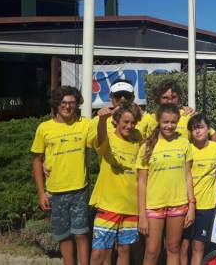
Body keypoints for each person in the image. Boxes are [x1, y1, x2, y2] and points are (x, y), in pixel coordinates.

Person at [31, 86, 91, 265]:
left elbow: (104, 136)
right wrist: (41, 193)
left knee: (81, 234)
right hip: (55, 192)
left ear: (77, 104)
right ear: (56, 104)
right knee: (63, 236)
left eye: (72, 103)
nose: (67, 106)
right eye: (63, 102)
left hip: (80, 189)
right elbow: (37, 160)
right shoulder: (44, 128)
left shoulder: (85, 124)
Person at [137, 103, 195, 265]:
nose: (169, 126)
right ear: (158, 121)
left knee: (173, 248)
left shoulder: (184, 144)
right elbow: (141, 182)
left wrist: (191, 206)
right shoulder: (147, 147)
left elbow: (188, 176)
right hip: (153, 205)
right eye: (165, 122)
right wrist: (141, 215)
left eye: (173, 122)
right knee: (152, 251)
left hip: (179, 204)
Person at [89, 102, 143, 265]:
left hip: (131, 206)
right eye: (125, 122)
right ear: (117, 121)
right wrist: (101, 120)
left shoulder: (138, 138)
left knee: (124, 250)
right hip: (108, 205)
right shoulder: (108, 137)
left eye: (133, 122)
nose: (129, 126)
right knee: (99, 251)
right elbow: (99, 138)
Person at [180, 114, 216, 265]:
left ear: (208, 129)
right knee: (182, 246)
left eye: (200, 127)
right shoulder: (186, 149)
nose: (197, 131)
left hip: (206, 206)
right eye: (194, 129)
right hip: (186, 204)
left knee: (198, 246)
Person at [145, 79, 216, 142]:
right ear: (158, 99)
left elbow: (214, 137)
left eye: (173, 97)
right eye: (165, 98)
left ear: (179, 98)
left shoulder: (188, 116)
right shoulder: (150, 119)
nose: (170, 102)